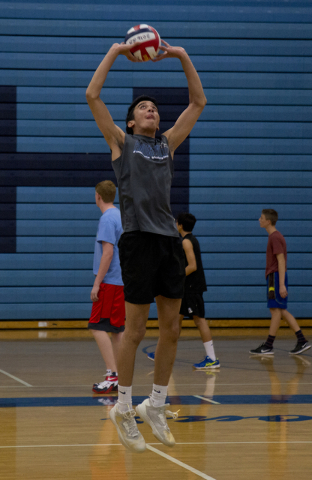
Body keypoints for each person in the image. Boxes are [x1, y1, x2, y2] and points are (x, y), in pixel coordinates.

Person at [86, 40, 206, 453]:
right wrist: (117, 52)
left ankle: (155, 403)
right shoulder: (123, 145)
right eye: (143, 107)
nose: (151, 109)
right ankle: (123, 406)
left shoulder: (166, 145)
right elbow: (92, 95)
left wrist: (182, 55)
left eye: (154, 107)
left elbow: (198, 102)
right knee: (134, 331)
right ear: (132, 123)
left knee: (172, 328)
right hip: (137, 241)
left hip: (169, 241)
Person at [147, 212, 220, 369]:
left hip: (192, 288)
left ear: (180, 225)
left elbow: (192, 266)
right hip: (187, 288)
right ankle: (164, 351)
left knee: (199, 320)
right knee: (175, 321)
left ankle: (212, 358)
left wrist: (176, 277)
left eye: (176, 221)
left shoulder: (187, 242)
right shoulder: (189, 240)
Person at [249, 208, 310, 356]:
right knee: (281, 310)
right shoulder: (275, 236)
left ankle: (268, 345)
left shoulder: (274, 237)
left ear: (268, 221)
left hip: (275, 277)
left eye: (261, 217)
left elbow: (281, 260)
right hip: (276, 277)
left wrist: (281, 284)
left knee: (275, 311)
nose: (259, 219)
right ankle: (302, 340)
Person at [88, 180, 125, 394]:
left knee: (97, 327)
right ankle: (119, 376)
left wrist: (97, 283)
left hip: (110, 282)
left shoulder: (107, 218)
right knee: (117, 331)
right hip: (120, 281)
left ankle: (112, 375)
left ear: (98, 196)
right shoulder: (120, 215)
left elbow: (108, 253)